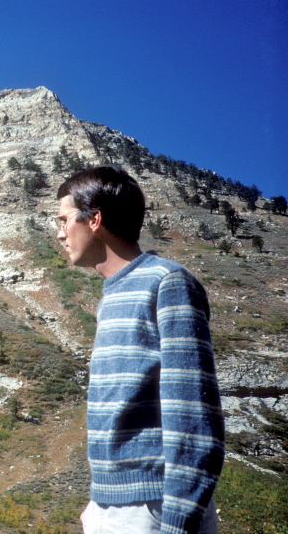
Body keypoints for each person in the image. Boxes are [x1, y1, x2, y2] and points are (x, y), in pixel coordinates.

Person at [55, 166, 224, 534]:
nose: (59, 233)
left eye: (64, 220)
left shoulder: (167, 282)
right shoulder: (113, 294)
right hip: (114, 508)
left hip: (153, 511)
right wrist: (100, 502)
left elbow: (192, 414)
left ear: (94, 219)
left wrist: (178, 522)